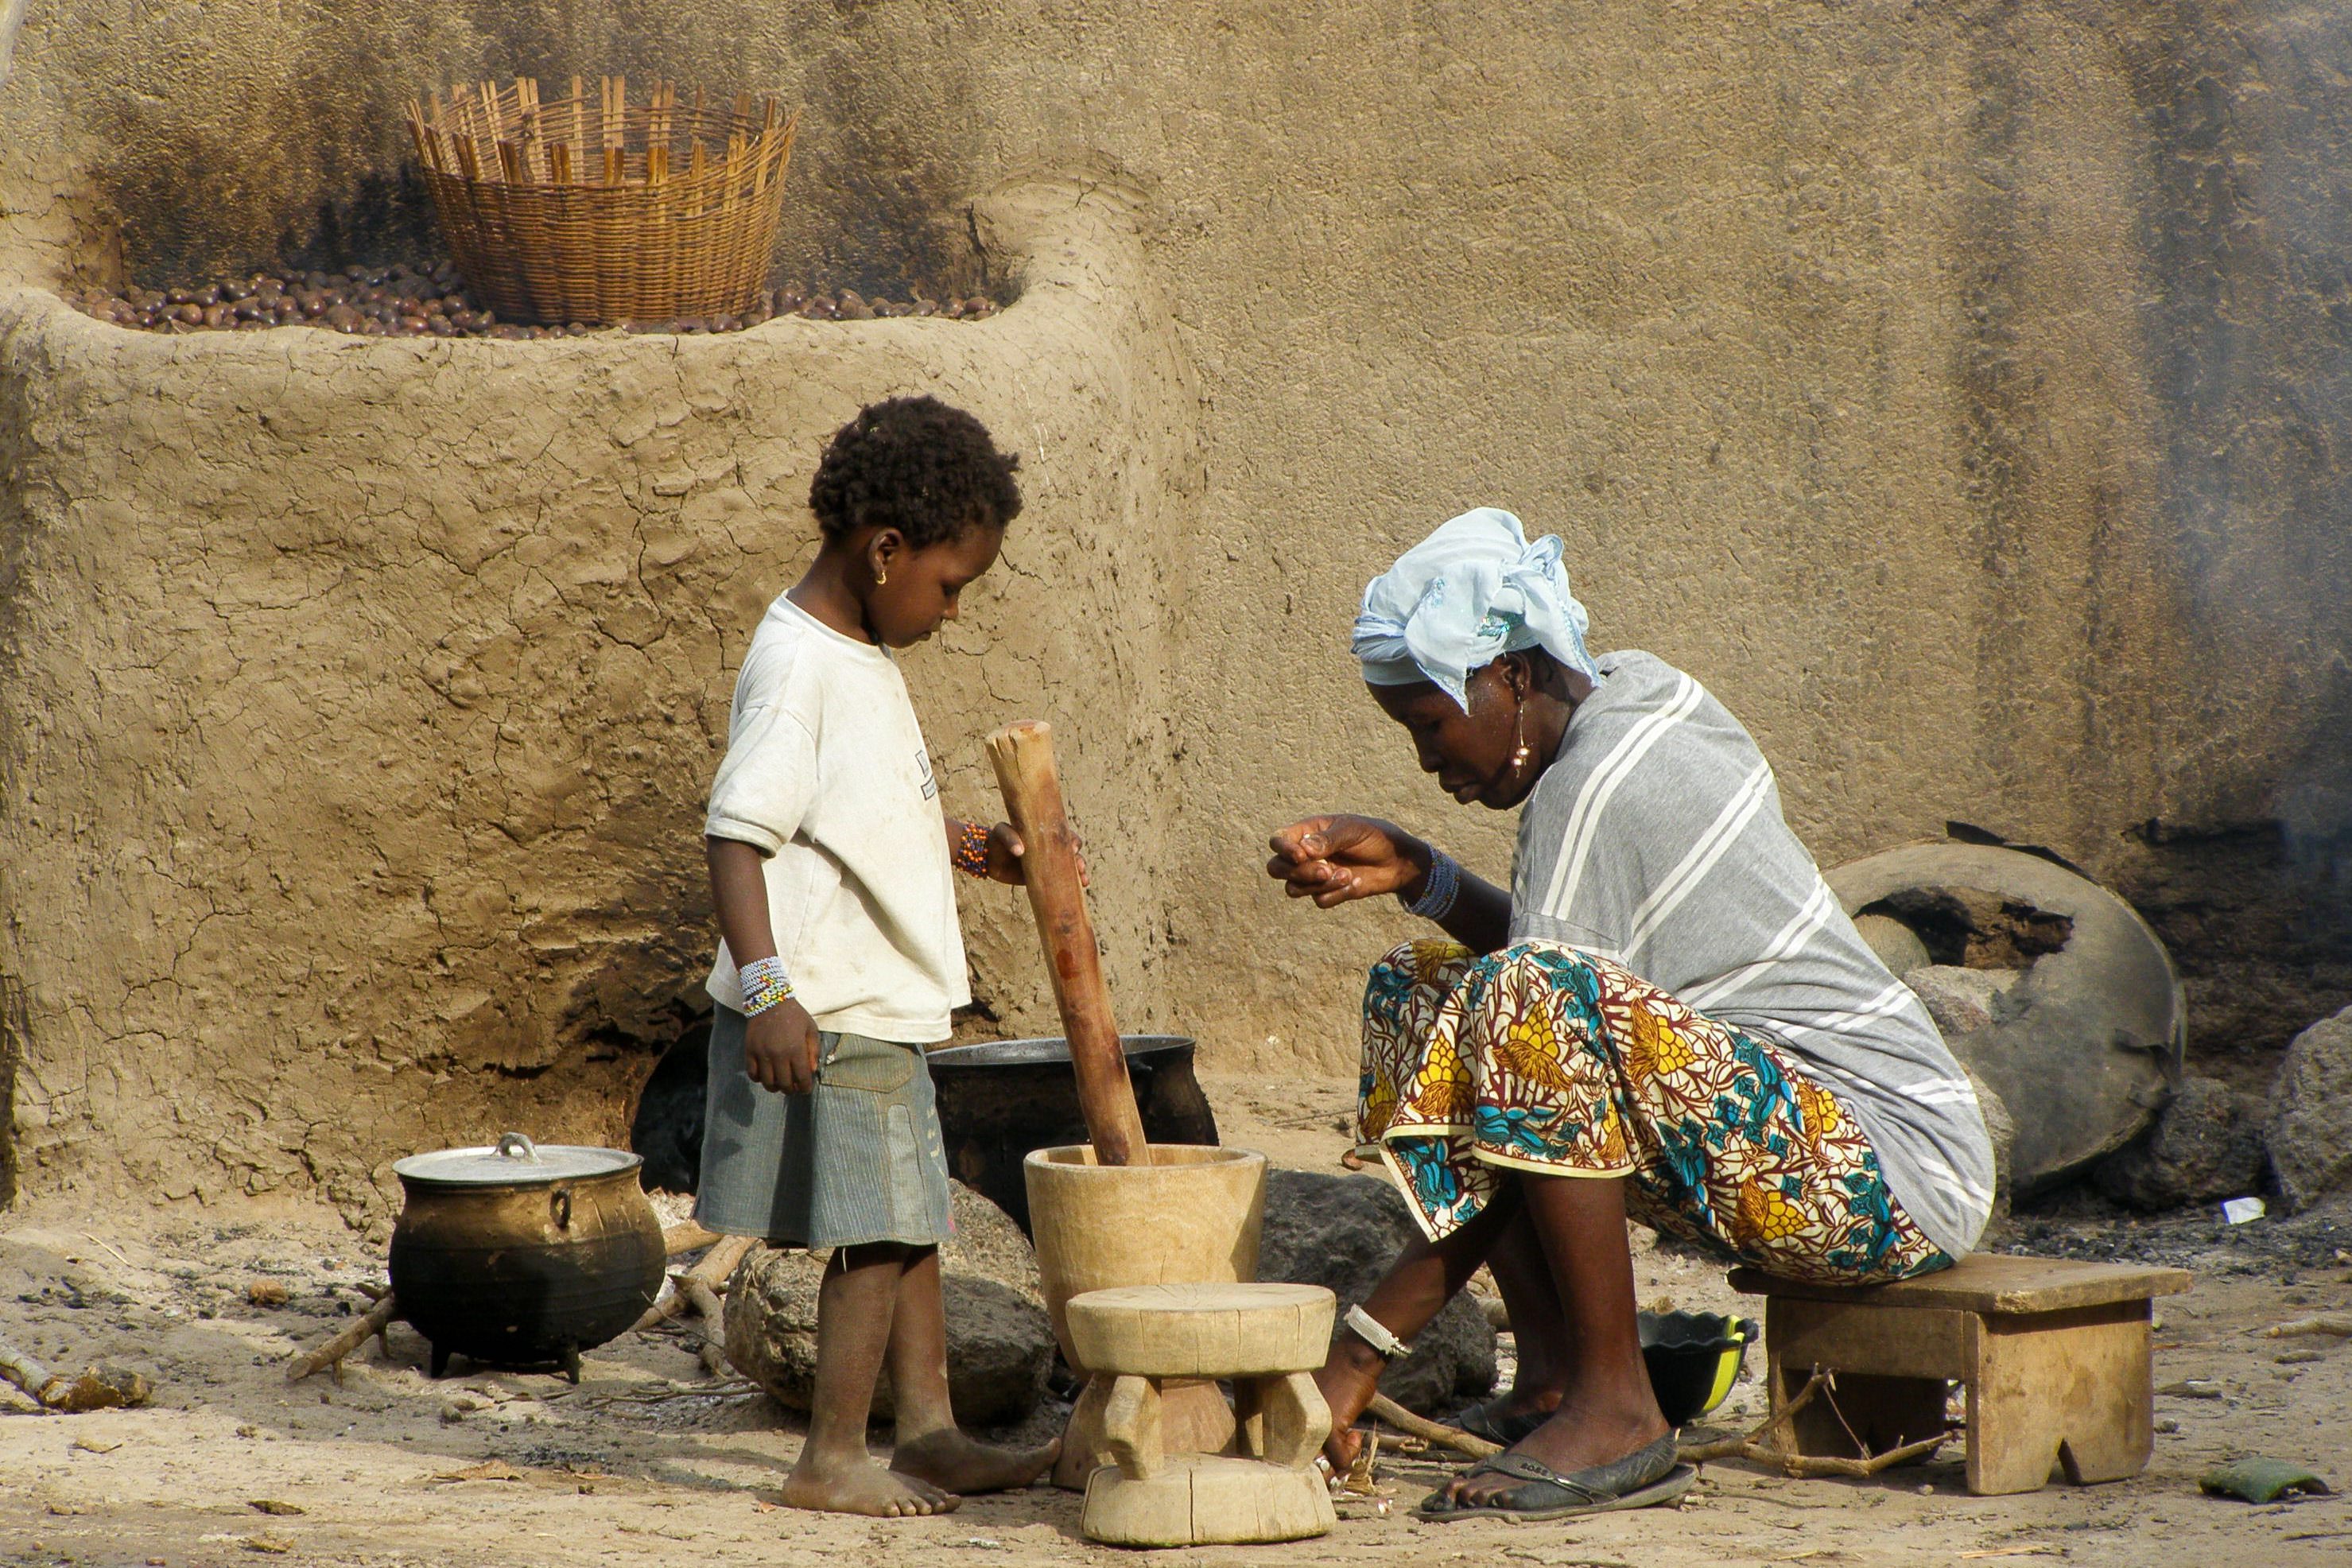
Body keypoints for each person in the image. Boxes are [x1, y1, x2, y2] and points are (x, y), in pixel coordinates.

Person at [1266, 507, 1994, 1523]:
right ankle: (1557, 1380)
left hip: (1886, 1173)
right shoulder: (1632, 689)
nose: (1427, 758)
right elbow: (1546, 1007)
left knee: (1517, 1005)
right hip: (1795, 1135)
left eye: (1431, 723)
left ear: (1511, 675)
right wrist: (1425, 875)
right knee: (1418, 984)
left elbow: (1538, 1027)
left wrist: (1357, 1353)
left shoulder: (1596, 783)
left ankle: (1618, 1405)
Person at [696, 395, 1058, 1518]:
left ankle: (931, 1429)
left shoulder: (854, 652)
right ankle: (832, 1456)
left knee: (911, 1225)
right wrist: (770, 995)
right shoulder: (799, 665)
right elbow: (736, 836)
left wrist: (960, 845)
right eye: (950, 586)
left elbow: (837, 821)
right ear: (885, 549)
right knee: (877, 1228)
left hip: (874, 1001)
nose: (952, 611)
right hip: (833, 1003)